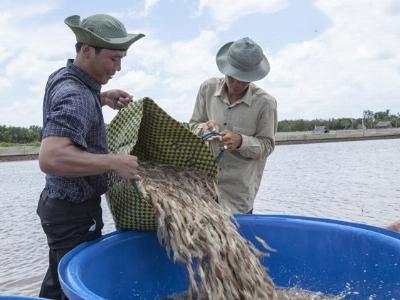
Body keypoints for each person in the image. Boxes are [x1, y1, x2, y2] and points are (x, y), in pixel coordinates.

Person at [37, 14, 144, 299]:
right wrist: (114, 161)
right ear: (86, 50)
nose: (118, 67)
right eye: (112, 59)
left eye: (121, 59)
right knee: (71, 288)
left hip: (56, 205)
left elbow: (73, 99)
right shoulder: (77, 95)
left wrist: (102, 97)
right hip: (73, 212)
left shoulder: (64, 77)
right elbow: (51, 156)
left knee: (57, 279)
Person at [189, 37, 277, 214]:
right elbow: (193, 125)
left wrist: (240, 141)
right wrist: (203, 129)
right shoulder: (207, 89)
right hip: (202, 189)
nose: (236, 85)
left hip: (238, 195)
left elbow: (267, 146)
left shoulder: (266, 103)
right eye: (232, 78)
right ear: (225, 70)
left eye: (243, 81)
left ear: (252, 77)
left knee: (236, 241)